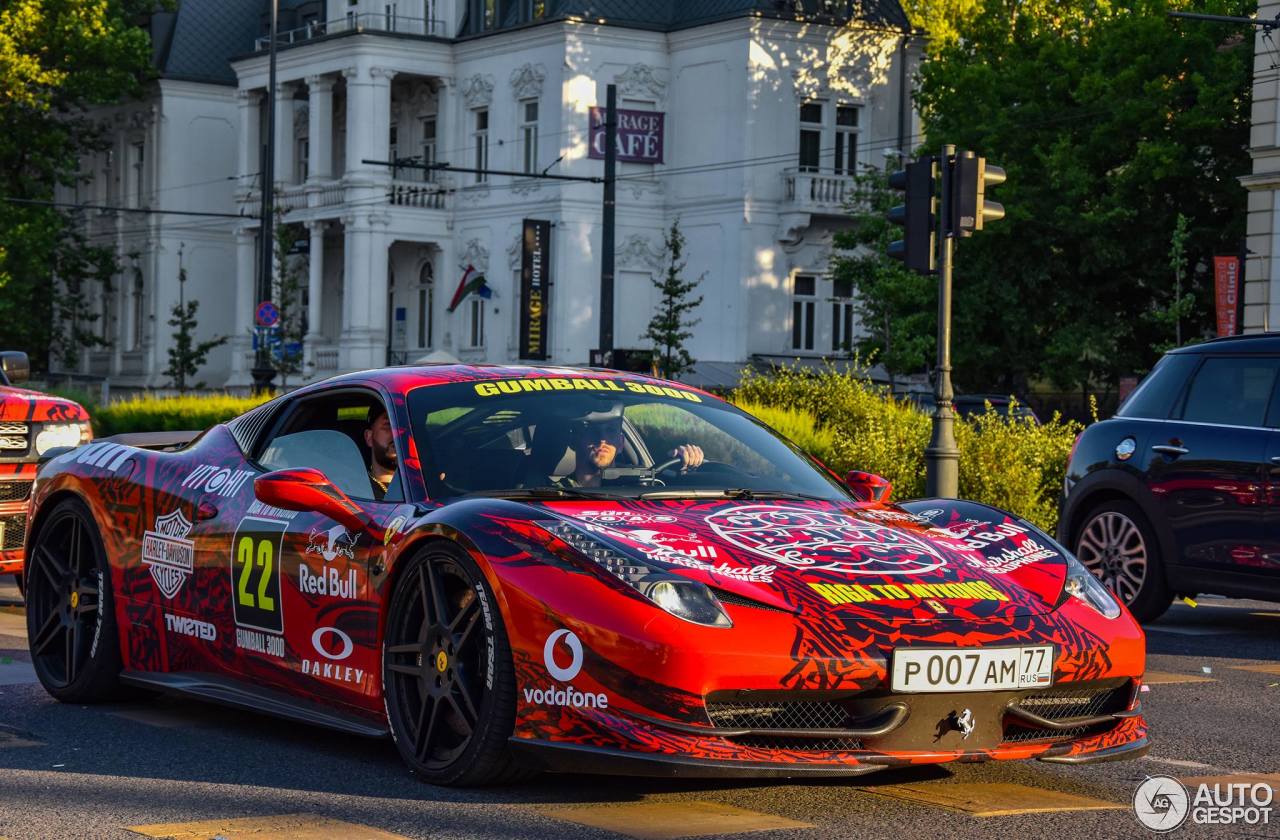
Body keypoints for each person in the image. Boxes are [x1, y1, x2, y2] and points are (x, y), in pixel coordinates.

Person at [558, 406, 704, 488]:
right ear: (574, 441)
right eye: (593, 430)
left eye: (610, 431)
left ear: (620, 443)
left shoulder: (640, 484)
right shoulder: (553, 492)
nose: (602, 440)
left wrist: (683, 464)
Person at [364, 407, 397, 501]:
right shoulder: (358, 492)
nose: (399, 432)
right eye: (389, 425)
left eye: (407, 427)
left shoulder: (429, 485)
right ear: (369, 437)